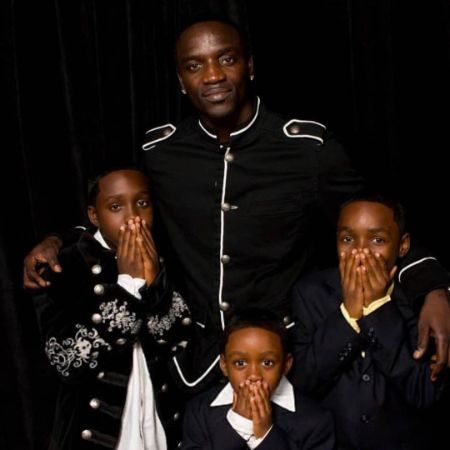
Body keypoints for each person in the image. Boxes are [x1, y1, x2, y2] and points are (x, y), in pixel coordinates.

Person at [24, 15, 450, 392]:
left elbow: (378, 222)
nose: (212, 75)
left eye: (226, 59)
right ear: (180, 80)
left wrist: (432, 287)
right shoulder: (161, 152)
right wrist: (59, 241)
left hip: (285, 352)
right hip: (195, 357)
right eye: (195, 66)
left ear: (249, 66)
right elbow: (122, 209)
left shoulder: (307, 149)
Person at [32, 167, 191, 450]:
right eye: (116, 207)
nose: (133, 217)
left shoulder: (166, 257)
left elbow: (179, 342)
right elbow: (67, 362)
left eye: (142, 203)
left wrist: (154, 287)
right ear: (94, 215)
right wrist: (127, 287)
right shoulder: (63, 267)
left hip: (158, 424)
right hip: (101, 433)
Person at [289, 194, 449, 450]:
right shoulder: (310, 293)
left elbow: (424, 393)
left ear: (403, 246)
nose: (360, 252)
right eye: (347, 239)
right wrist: (348, 314)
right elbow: (302, 384)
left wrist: (377, 309)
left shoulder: (420, 301)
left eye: (377, 240)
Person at [181, 308, 336, 450]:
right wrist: (238, 424)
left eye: (267, 363)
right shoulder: (199, 412)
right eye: (240, 363)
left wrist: (266, 435)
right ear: (224, 365)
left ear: (286, 364)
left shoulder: (315, 421)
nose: (254, 375)